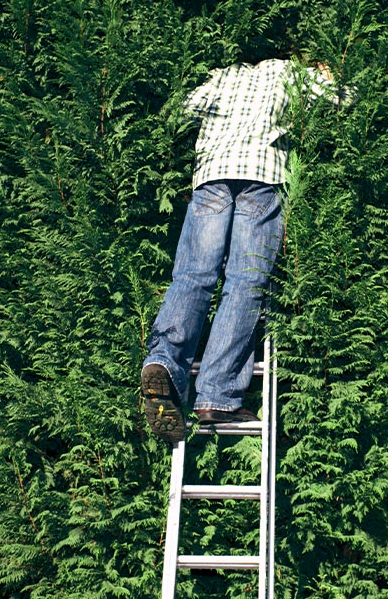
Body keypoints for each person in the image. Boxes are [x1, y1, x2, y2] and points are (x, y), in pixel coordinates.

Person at [139, 54, 352, 443]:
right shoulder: (291, 73)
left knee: (192, 276)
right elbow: (343, 98)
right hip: (262, 177)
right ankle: (216, 396)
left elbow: (181, 110)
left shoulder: (221, 75)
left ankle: (163, 362)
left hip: (211, 177)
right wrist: (330, 73)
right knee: (245, 282)